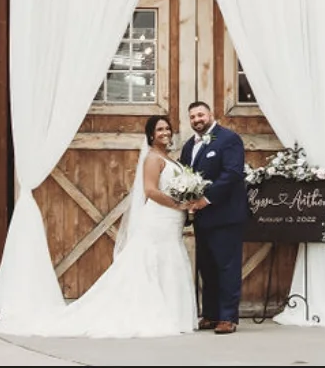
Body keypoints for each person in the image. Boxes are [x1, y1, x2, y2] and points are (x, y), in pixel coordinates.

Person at [31, 113, 200, 337]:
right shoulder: (152, 158)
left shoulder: (169, 158)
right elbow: (150, 191)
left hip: (172, 221)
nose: (165, 133)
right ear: (151, 135)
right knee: (155, 260)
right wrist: (178, 204)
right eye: (160, 129)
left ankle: (173, 314)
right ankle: (151, 314)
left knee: (170, 261)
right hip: (159, 218)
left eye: (167, 129)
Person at [181, 98, 247, 333]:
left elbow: (232, 173)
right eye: (192, 117)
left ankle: (228, 318)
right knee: (207, 268)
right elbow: (184, 175)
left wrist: (206, 199)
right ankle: (210, 314)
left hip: (226, 216)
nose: (197, 120)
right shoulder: (189, 146)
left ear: (210, 115)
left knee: (227, 267)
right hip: (202, 218)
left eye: (201, 115)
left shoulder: (229, 139)